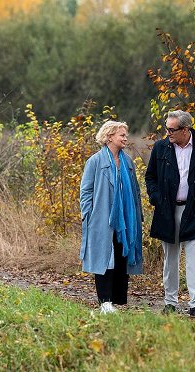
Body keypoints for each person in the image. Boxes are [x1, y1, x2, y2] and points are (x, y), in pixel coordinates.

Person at [145, 110, 195, 318]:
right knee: (170, 258)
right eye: (166, 128)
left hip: (193, 210)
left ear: (185, 129)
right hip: (166, 210)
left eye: (172, 129)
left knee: (194, 257)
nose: (167, 133)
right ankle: (170, 302)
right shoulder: (161, 147)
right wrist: (156, 198)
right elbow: (150, 177)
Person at [80, 120, 144, 314]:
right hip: (101, 219)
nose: (125, 138)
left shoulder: (128, 162)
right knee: (104, 258)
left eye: (125, 134)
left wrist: (138, 215)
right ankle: (105, 302)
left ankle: (115, 301)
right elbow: (86, 192)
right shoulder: (95, 161)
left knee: (120, 256)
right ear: (109, 137)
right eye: (121, 135)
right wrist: (88, 215)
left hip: (126, 219)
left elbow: (135, 190)